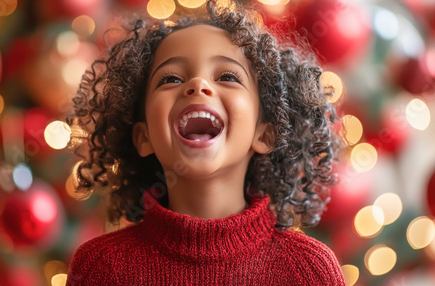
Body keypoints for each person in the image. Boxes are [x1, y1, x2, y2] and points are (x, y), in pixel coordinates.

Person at [66, 0, 346, 284]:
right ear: (144, 137)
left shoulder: (308, 270)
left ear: (264, 134)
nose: (198, 84)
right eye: (171, 78)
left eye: (227, 76)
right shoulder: (101, 268)